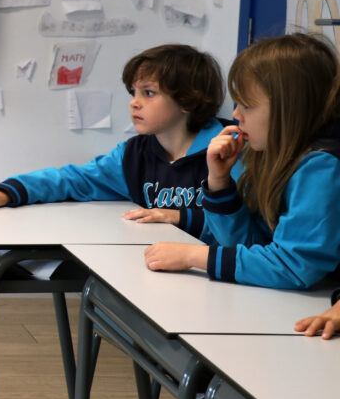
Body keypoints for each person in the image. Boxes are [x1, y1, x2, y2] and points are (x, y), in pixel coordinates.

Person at [0, 44, 226, 240]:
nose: (134, 102)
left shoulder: (227, 152)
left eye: (149, 93)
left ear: (188, 101)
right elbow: (74, 180)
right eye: (133, 92)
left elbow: (248, 229)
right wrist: (4, 193)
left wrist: (181, 217)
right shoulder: (134, 155)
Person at [144, 33, 340, 290]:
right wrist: (219, 182)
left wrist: (194, 256)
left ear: (288, 109)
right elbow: (246, 245)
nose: (236, 114)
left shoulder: (322, 166)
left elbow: (294, 267)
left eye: (246, 105)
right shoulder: (268, 152)